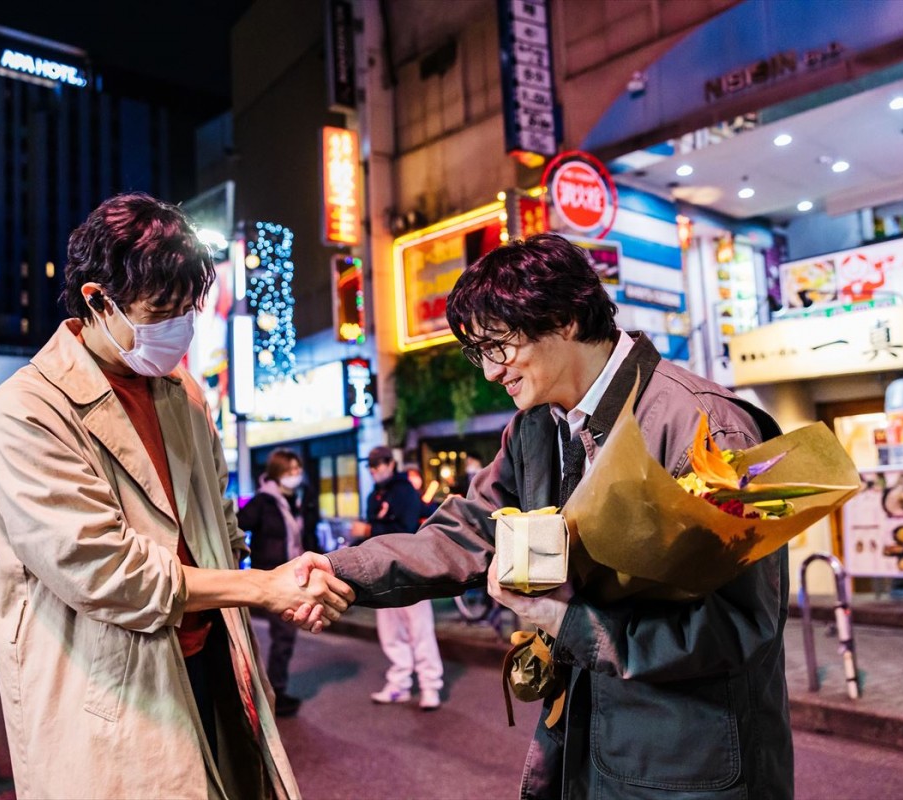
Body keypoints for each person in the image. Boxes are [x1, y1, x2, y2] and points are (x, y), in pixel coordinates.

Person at [289, 233, 791, 798]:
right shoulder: (537, 428)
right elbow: (467, 532)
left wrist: (566, 622)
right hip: (585, 740)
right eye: (478, 353)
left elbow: (742, 624)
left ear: (566, 318)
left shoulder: (707, 426)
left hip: (689, 765)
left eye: (498, 346)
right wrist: (337, 570)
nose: (489, 373)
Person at [0, 193, 353, 799]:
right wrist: (262, 587)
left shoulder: (182, 391)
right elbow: (105, 570)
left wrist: (273, 598)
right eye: (160, 311)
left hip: (212, 662)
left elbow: (220, 527)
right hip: (109, 692)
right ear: (97, 301)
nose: (179, 329)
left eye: (187, 310)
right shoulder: (25, 412)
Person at [237, 448, 320, 717]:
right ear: (276, 474)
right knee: (281, 635)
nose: (296, 475)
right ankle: (272, 692)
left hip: (297, 574)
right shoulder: (264, 502)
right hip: (273, 577)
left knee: (286, 635)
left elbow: (308, 535)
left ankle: (271, 690)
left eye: (298, 470)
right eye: (289, 471)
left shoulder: (301, 499)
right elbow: (238, 527)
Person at [360, 445, 444, 711]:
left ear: (390, 464)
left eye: (378, 465)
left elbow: (405, 530)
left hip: (411, 569)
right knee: (390, 632)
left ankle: (430, 686)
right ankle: (399, 685)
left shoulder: (404, 490)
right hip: (383, 572)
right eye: (371, 466)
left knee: (420, 630)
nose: (374, 471)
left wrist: (371, 527)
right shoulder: (375, 494)